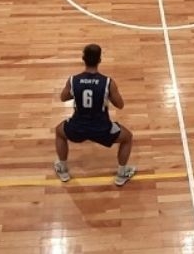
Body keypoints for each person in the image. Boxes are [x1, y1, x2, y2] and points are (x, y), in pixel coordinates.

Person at [53, 43, 136, 186]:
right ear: (100, 60)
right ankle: (121, 174)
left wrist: (77, 93)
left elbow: (63, 98)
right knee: (127, 137)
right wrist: (106, 95)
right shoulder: (108, 82)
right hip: (102, 129)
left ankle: (63, 170)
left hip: (77, 127)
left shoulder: (73, 80)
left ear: (83, 59)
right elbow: (120, 105)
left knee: (59, 131)